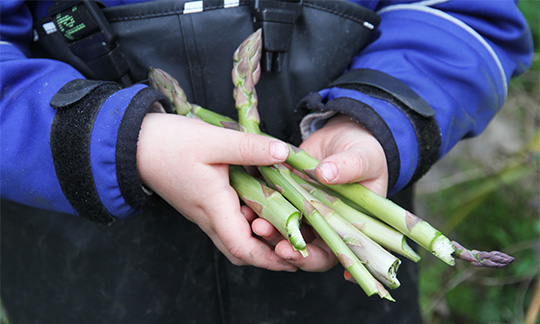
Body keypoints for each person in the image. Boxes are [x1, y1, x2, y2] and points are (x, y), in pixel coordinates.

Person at [0, 0, 533, 323]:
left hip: (340, 303)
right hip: (82, 286)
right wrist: (129, 143)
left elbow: (469, 18)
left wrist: (373, 122)